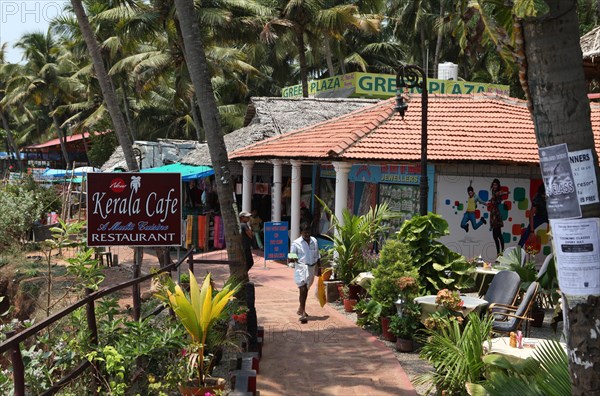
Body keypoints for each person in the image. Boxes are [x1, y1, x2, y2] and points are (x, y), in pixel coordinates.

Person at [288, 222, 321, 323]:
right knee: (302, 289)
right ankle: (303, 312)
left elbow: (318, 255)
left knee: (306, 289)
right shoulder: (296, 243)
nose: (307, 235)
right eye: (305, 233)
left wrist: (319, 268)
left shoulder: (314, 241)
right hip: (301, 269)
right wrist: (293, 259)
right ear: (301, 232)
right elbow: (291, 258)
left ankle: (300, 308)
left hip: (311, 268)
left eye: (308, 232)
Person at [488, 178, 508, 256]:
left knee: (497, 234)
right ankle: (499, 252)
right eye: (494, 184)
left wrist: (505, 192)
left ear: (498, 185)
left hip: (496, 215)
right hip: (493, 213)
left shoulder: (497, 192)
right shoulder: (493, 192)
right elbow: (494, 198)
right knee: (496, 235)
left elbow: (500, 193)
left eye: (496, 185)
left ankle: (500, 252)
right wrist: (490, 201)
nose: (494, 186)